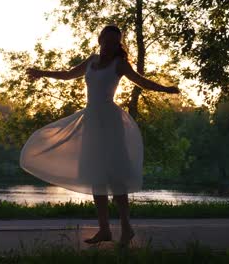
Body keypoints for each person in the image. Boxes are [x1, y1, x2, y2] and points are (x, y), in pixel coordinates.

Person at [22, 25, 180, 247]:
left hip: (110, 123)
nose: (110, 45)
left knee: (116, 177)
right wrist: (41, 73)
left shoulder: (120, 64)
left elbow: (141, 81)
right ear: (100, 40)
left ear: (118, 45)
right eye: (107, 40)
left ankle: (126, 228)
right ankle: (104, 229)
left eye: (115, 42)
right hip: (91, 122)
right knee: (96, 176)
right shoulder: (91, 61)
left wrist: (165, 89)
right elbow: (68, 74)